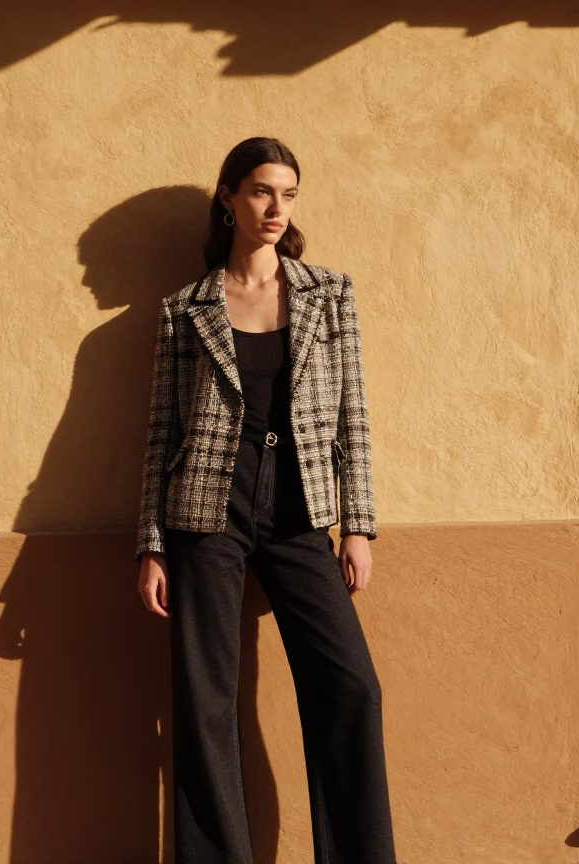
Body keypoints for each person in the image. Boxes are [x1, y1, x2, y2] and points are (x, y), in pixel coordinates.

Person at [134, 136, 396, 863]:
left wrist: (357, 526)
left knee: (352, 686)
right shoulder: (186, 309)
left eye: (288, 193)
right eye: (260, 191)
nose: (276, 207)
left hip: (298, 511)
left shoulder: (327, 294)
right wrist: (152, 545)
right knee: (206, 703)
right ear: (228, 198)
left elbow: (353, 416)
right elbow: (161, 433)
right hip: (206, 515)